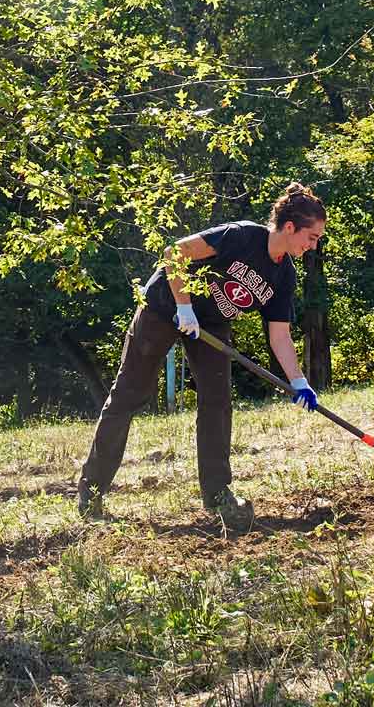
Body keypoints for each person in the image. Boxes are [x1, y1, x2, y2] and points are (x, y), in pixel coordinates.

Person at [77, 183, 327, 530]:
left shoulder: (283, 275)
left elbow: (279, 335)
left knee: (217, 401)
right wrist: (184, 307)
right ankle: (92, 490)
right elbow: (175, 253)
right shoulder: (241, 237)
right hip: (165, 308)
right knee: (129, 395)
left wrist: (298, 381)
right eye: (312, 237)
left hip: (211, 325)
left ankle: (217, 494)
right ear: (290, 228)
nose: (313, 246)